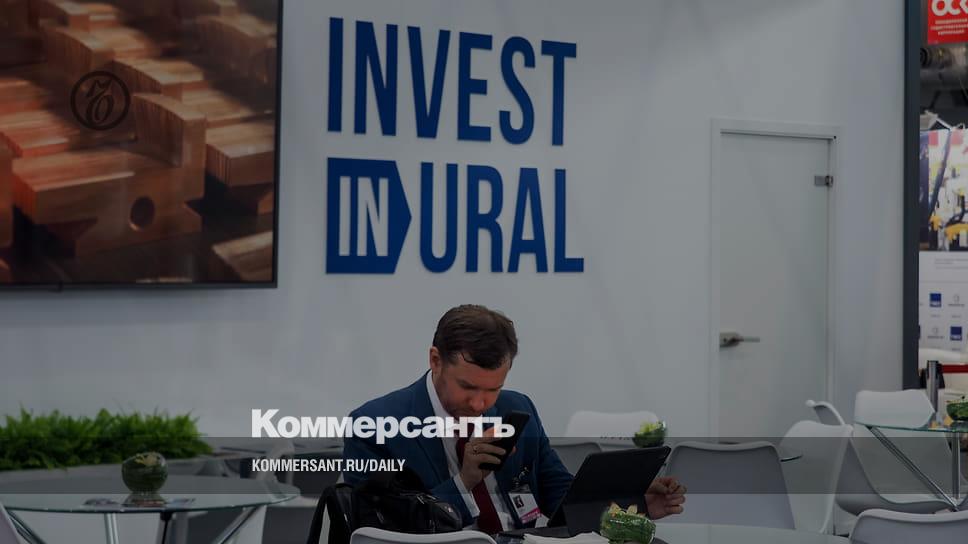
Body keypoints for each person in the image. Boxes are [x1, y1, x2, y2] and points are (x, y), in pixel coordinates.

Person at [342, 304, 685, 533]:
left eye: (493, 389)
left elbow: (561, 498)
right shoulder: (374, 425)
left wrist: (631, 503)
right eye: (467, 387)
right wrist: (465, 481)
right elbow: (383, 531)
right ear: (435, 361)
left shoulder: (517, 408)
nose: (480, 403)